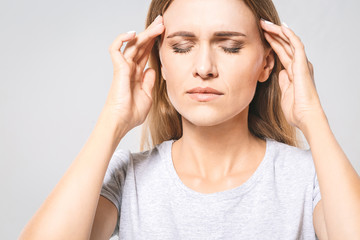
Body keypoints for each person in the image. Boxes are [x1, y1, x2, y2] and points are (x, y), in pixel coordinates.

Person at [19, 0, 360, 239]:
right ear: (162, 64)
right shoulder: (128, 179)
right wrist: (113, 119)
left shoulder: (310, 177)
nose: (204, 68)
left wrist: (312, 117)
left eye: (230, 47)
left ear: (267, 64)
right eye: (182, 47)